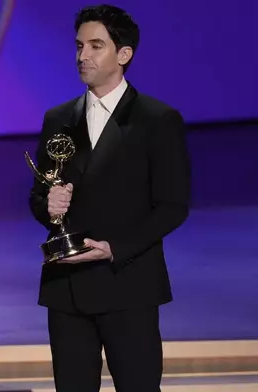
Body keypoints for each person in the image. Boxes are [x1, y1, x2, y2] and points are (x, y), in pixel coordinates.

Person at [28, 5, 191, 392]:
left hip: (128, 285)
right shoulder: (58, 118)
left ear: (124, 54)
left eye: (96, 45)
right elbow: (39, 195)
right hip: (66, 289)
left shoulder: (157, 119)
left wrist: (114, 248)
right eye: (79, 45)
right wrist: (47, 206)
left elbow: (173, 206)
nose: (82, 55)